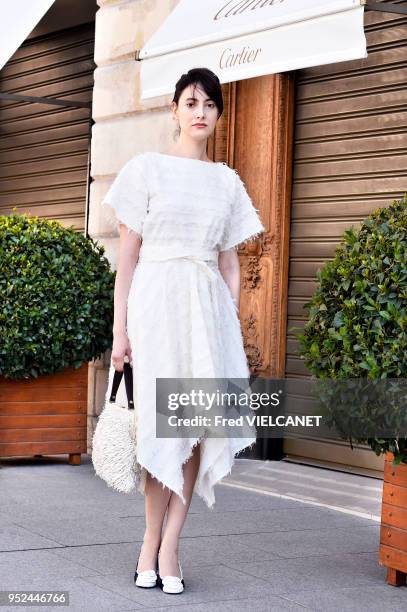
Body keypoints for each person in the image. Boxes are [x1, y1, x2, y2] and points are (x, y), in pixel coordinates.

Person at [101, 67, 265, 595]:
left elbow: (230, 265)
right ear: (174, 109)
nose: (200, 112)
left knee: (194, 433)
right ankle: (149, 541)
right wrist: (119, 332)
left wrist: (228, 328)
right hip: (155, 309)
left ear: (218, 115)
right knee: (162, 427)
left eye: (210, 105)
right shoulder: (145, 169)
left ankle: (170, 545)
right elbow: (127, 263)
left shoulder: (227, 182)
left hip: (206, 318)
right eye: (191, 102)